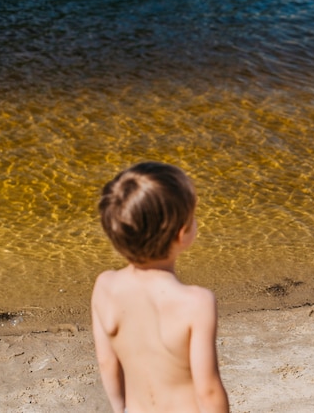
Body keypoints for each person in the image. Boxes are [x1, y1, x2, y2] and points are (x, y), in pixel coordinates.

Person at [91, 161, 229, 413]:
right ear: (182, 234)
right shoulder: (196, 303)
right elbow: (208, 389)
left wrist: (121, 408)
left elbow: (106, 362)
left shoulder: (105, 286)